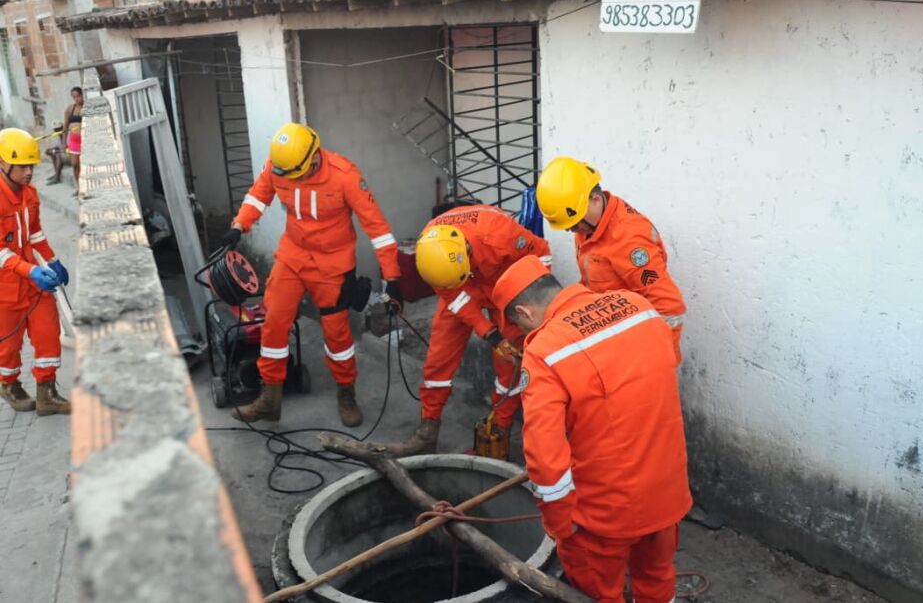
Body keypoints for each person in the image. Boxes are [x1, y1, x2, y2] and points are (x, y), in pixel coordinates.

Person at [491, 255, 691, 603]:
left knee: (599, 593)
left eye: (520, 327)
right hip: (668, 494)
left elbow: (545, 458)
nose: (525, 335)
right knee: (657, 577)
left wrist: (561, 526)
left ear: (523, 312)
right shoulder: (636, 305)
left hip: (605, 515)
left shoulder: (545, 351)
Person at [222, 122, 403, 427]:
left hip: (333, 265)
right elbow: (258, 195)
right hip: (293, 256)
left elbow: (378, 229)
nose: (289, 179)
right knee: (274, 322)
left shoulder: (345, 176)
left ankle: (346, 393)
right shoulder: (281, 165)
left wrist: (393, 279)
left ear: (313, 158)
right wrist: (240, 225)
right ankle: (270, 398)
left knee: (337, 335)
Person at [378, 205, 552, 457]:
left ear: (467, 253)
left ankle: (499, 432)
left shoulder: (501, 235)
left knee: (510, 361)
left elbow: (542, 255)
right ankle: (427, 432)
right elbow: (452, 295)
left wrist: (531, 303)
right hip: (461, 287)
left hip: (503, 286)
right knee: (438, 361)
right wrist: (489, 334)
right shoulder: (432, 252)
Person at [536, 157, 687, 362]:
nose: (572, 230)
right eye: (568, 226)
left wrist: (657, 359)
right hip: (612, 334)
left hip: (640, 347)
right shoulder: (589, 225)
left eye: (574, 224)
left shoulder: (629, 240)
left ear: (595, 200)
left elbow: (669, 305)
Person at [0, 128, 72, 416]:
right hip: (6, 286)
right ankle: (9, 385)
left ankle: (47, 393)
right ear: (4, 163)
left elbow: (35, 232)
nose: (29, 172)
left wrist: (52, 260)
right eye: (23, 166)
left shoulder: (30, 194)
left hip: (32, 281)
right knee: (8, 346)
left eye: (32, 165)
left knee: (47, 333)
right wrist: (31, 271)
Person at [63, 86, 83, 184]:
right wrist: (64, 143)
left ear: (82, 95)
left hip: (84, 141)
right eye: (74, 97)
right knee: (75, 164)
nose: (76, 99)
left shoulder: (86, 108)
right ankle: (79, 187)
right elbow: (65, 127)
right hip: (74, 142)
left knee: (84, 165)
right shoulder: (70, 109)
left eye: (78, 96)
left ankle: (85, 186)